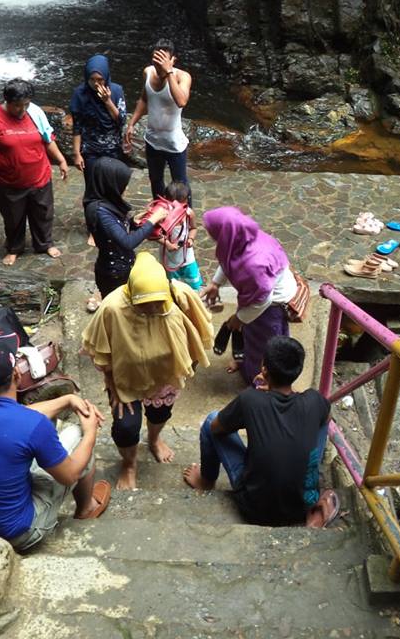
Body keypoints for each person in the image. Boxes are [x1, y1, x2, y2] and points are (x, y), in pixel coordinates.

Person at [0, 333, 111, 552]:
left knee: (47, 435)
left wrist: (67, 400)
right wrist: (90, 432)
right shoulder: (32, 425)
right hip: (19, 532)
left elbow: (19, 415)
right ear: (16, 373)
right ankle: (86, 508)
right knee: (78, 435)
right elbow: (70, 474)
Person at [82, 252, 213, 490]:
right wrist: (111, 384)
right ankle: (129, 464)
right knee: (125, 428)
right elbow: (100, 351)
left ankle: (154, 440)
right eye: (145, 304)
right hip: (125, 379)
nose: (153, 308)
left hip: (164, 375)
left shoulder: (178, 295)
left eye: (157, 302)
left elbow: (198, 329)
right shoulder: (112, 308)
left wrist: (187, 366)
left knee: (160, 414)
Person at [182, 336, 339, 528]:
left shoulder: (250, 399)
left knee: (210, 420)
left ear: (264, 369)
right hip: (301, 507)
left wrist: (254, 407)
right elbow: (327, 419)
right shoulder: (313, 399)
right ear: (297, 371)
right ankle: (309, 477)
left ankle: (206, 480)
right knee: (322, 416)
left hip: (254, 510)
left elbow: (215, 428)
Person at [0, 79, 71, 266]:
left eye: (26, 104)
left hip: (39, 175)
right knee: (13, 217)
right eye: (17, 106)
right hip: (7, 180)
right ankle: (15, 248)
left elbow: (48, 138)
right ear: (7, 102)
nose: (22, 109)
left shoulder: (35, 112)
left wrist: (62, 160)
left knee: (43, 213)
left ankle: (44, 243)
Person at [199, 207, 297, 386]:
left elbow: (263, 299)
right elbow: (229, 259)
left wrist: (239, 317)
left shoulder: (254, 264)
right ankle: (244, 360)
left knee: (264, 344)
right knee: (249, 333)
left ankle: (260, 381)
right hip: (258, 295)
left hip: (271, 304)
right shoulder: (244, 237)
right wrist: (215, 283)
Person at [85, 158, 168, 312]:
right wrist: (153, 220)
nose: (126, 189)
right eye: (123, 185)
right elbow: (127, 242)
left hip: (121, 267)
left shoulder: (105, 204)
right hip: (114, 274)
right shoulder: (99, 211)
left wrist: (133, 221)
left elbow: (113, 232)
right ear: (110, 184)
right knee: (119, 313)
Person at [124, 39, 192, 203]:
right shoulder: (148, 72)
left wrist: (168, 73)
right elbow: (144, 99)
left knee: (180, 185)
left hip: (174, 143)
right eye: (156, 61)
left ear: (172, 60)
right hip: (153, 140)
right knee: (155, 181)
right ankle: (160, 213)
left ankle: (186, 219)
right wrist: (131, 123)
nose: (158, 65)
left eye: (162, 61)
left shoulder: (183, 77)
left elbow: (181, 101)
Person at [69, 55, 127, 237]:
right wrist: (76, 153)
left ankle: (115, 221)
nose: (96, 84)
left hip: (113, 150)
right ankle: (94, 228)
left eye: (100, 80)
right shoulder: (80, 94)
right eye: (92, 80)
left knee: (114, 188)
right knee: (93, 191)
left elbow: (121, 120)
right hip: (91, 149)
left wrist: (107, 101)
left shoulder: (116, 90)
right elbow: (77, 125)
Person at [158, 181, 203, 290]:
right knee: (172, 285)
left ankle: (195, 297)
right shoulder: (162, 215)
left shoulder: (188, 213)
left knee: (194, 282)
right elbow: (155, 234)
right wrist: (167, 243)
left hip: (186, 255)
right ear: (166, 200)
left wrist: (191, 239)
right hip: (169, 257)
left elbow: (193, 228)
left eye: (182, 203)